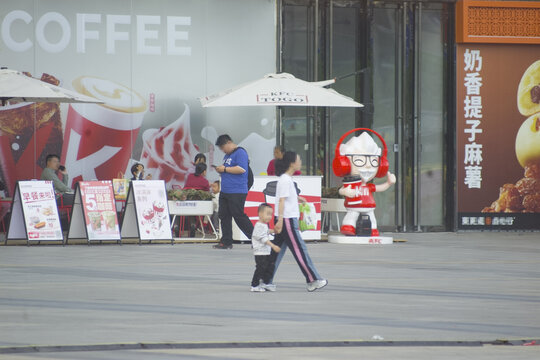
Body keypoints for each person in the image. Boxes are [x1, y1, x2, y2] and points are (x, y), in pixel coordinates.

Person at [270, 151, 327, 292]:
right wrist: (281, 220)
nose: (300, 161)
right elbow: (281, 200)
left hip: (286, 219)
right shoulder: (285, 179)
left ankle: (264, 279)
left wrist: (298, 198)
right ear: (292, 163)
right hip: (287, 220)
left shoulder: (287, 179)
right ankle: (313, 279)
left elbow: (285, 198)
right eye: (299, 159)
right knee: (299, 250)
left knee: (276, 252)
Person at [213, 134, 254, 249]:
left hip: (237, 191)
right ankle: (226, 241)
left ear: (229, 143)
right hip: (226, 190)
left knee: (239, 216)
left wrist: (225, 169)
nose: (222, 150)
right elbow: (230, 170)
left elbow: (241, 169)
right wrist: (221, 170)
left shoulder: (240, 152)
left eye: (222, 147)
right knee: (224, 215)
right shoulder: (227, 156)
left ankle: (256, 239)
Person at [250, 203, 281, 292]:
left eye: (270, 214)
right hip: (260, 252)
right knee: (261, 268)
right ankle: (254, 285)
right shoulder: (258, 225)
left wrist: (273, 230)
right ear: (260, 214)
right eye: (267, 214)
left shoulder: (263, 225)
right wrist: (273, 246)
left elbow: (266, 231)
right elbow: (263, 238)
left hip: (265, 251)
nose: (269, 217)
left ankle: (265, 282)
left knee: (269, 267)